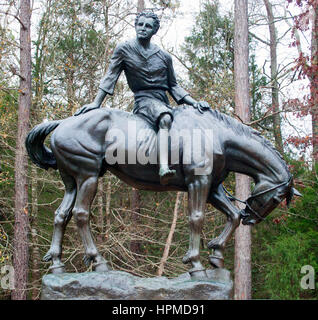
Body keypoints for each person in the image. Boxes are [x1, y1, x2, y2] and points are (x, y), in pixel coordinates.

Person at [75, 11, 210, 185]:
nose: (143, 29)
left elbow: (174, 86)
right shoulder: (124, 49)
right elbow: (110, 76)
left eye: (148, 26)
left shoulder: (164, 57)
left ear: (154, 30)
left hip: (163, 101)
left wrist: (195, 102)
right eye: (140, 24)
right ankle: (163, 167)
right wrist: (96, 103)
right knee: (165, 118)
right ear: (135, 25)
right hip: (144, 101)